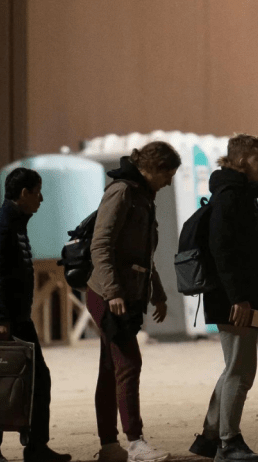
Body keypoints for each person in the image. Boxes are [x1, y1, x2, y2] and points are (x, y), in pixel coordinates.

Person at [86, 141, 181, 462]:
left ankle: (109, 445)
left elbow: (143, 254)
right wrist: (112, 292)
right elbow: (101, 245)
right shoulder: (122, 192)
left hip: (129, 294)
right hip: (107, 294)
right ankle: (136, 442)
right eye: (168, 174)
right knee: (129, 363)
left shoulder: (144, 197)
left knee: (111, 367)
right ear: (153, 168)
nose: (169, 182)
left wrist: (158, 292)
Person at [188, 134, 258, 462]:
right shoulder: (231, 197)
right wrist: (239, 297)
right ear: (241, 161)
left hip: (242, 296)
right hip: (236, 298)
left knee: (234, 367)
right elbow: (223, 250)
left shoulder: (237, 193)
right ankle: (229, 442)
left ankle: (210, 438)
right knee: (241, 370)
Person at [0, 168, 71, 462]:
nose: (41, 199)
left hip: (12, 316)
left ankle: (31, 447)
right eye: (37, 192)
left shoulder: (14, 224)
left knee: (15, 380)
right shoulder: (3, 225)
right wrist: (1, 318)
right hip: (3, 319)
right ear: (24, 193)